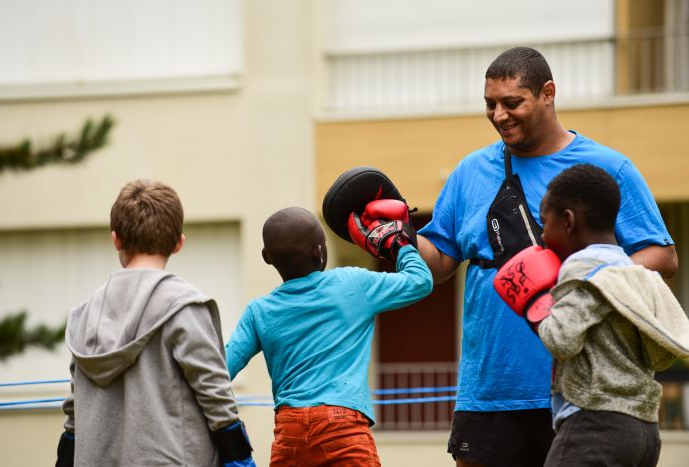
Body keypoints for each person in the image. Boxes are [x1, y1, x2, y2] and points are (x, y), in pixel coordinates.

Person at [416, 47, 678, 467]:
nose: (499, 115)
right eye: (490, 104)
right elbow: (441, 262)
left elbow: (662, 257)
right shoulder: (470, 171)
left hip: (583, 396)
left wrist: (580, 278)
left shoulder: (607, 167)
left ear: (548, 94)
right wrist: (397, 240)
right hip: (489, 390)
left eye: (512, 102)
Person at [54, 179, 255, 467]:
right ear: (178, 244)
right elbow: (215, 393)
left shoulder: (84, 316)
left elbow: (76, 411)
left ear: (116, 239)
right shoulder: (185, 309)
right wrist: (239, 455)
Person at [502, 163, 689, 466]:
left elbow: (561, 339)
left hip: (595, 426)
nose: (542, 234)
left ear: (568, 221)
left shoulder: (582, 268)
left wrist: (534, 304)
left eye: (544, 222)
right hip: (643, 431)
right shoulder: (629, 270)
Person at [225, 205, 433, 466]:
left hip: (290, 432)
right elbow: (420, 281)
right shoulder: (352, 285)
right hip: (342, 425)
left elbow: (220, 370)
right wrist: (397, 241)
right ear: (320, 251)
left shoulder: (258, 311)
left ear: (266, 257)